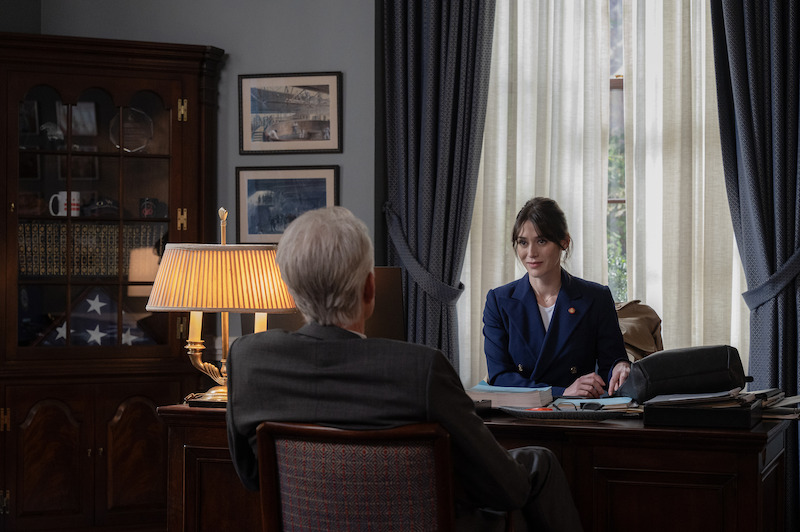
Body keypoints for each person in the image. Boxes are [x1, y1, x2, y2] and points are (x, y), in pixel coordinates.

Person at [227, 206, 583, 531]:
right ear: (370, 289)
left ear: (291, 292)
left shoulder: (248, 361)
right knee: (536, 466)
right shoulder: (422, 369)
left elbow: (251, 477)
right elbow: (507, 489)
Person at [483, 197, 630, 398]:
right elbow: (500, 377)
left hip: (579, 416)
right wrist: (561, 392)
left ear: (564, 242)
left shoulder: (596, 297)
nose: (531, 253)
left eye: (541, 241)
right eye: (523, 243)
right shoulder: (498, 301)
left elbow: (611, 365)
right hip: (519, 417)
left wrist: (621, 366)